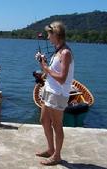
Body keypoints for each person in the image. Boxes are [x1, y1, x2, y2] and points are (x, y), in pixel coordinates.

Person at [35, 21, 74, 166]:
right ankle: (51, 149)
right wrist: (43, 62)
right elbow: (51, 72)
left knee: (57, 125)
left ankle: (57, 156)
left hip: (58, 94)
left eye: (49, 34)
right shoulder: (58, 51)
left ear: (56, 35)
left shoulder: (66, 53)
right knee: (44, 121)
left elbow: (63, 78)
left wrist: (46, 67)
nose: (47, 37)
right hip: (49, 91)